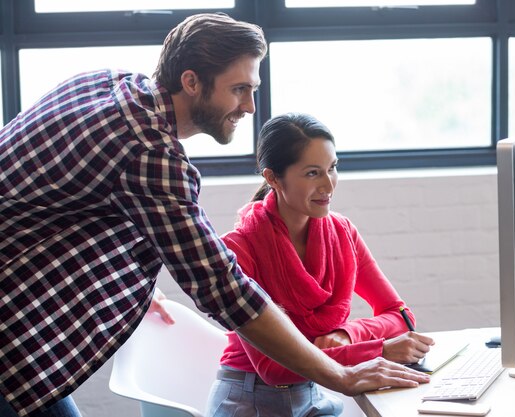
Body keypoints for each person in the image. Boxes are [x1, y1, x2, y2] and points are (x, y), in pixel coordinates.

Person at [0, 13, 428, 417]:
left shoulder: (105, 86)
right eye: (239, 89)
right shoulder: (152, 153)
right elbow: (222, 289)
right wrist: (340, 373)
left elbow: (59, 204)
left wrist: (137, 284)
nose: (250, 107)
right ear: (191, 82)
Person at [206, 113, 435, 417]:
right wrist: (377, 350)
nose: (328, 185)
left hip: (312, 393)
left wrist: (348, 334)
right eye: (313, 173)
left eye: (332, 168)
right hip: (250, 399)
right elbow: (273, 367)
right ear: (273, 178)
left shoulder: (343, 233)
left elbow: (400, 315)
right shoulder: (239, 248)